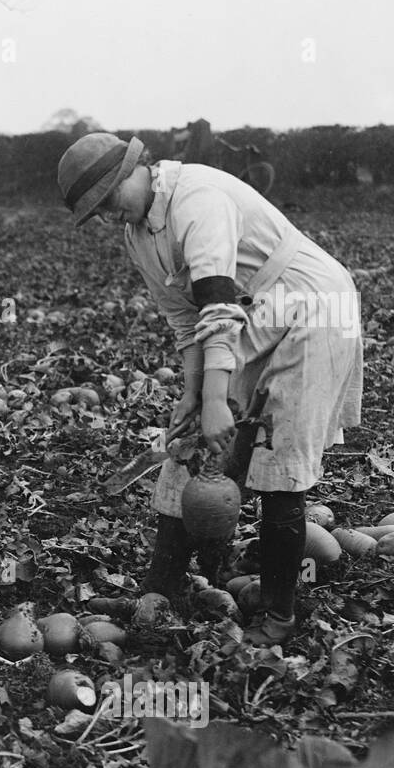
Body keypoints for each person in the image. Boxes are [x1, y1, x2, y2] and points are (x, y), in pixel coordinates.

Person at [56, 133, 363, 645]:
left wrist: (220, 399)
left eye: (109, 199)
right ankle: (162, 588)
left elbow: (217, 309)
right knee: (191, 447)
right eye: (98, 210)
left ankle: (278, 616)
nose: (110, 213)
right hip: (256, 311)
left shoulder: (197, 200)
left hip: (313, 307)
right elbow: (185, 319)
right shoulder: (138, 234)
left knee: (278, 460)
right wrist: (194, 395)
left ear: (134, 170)